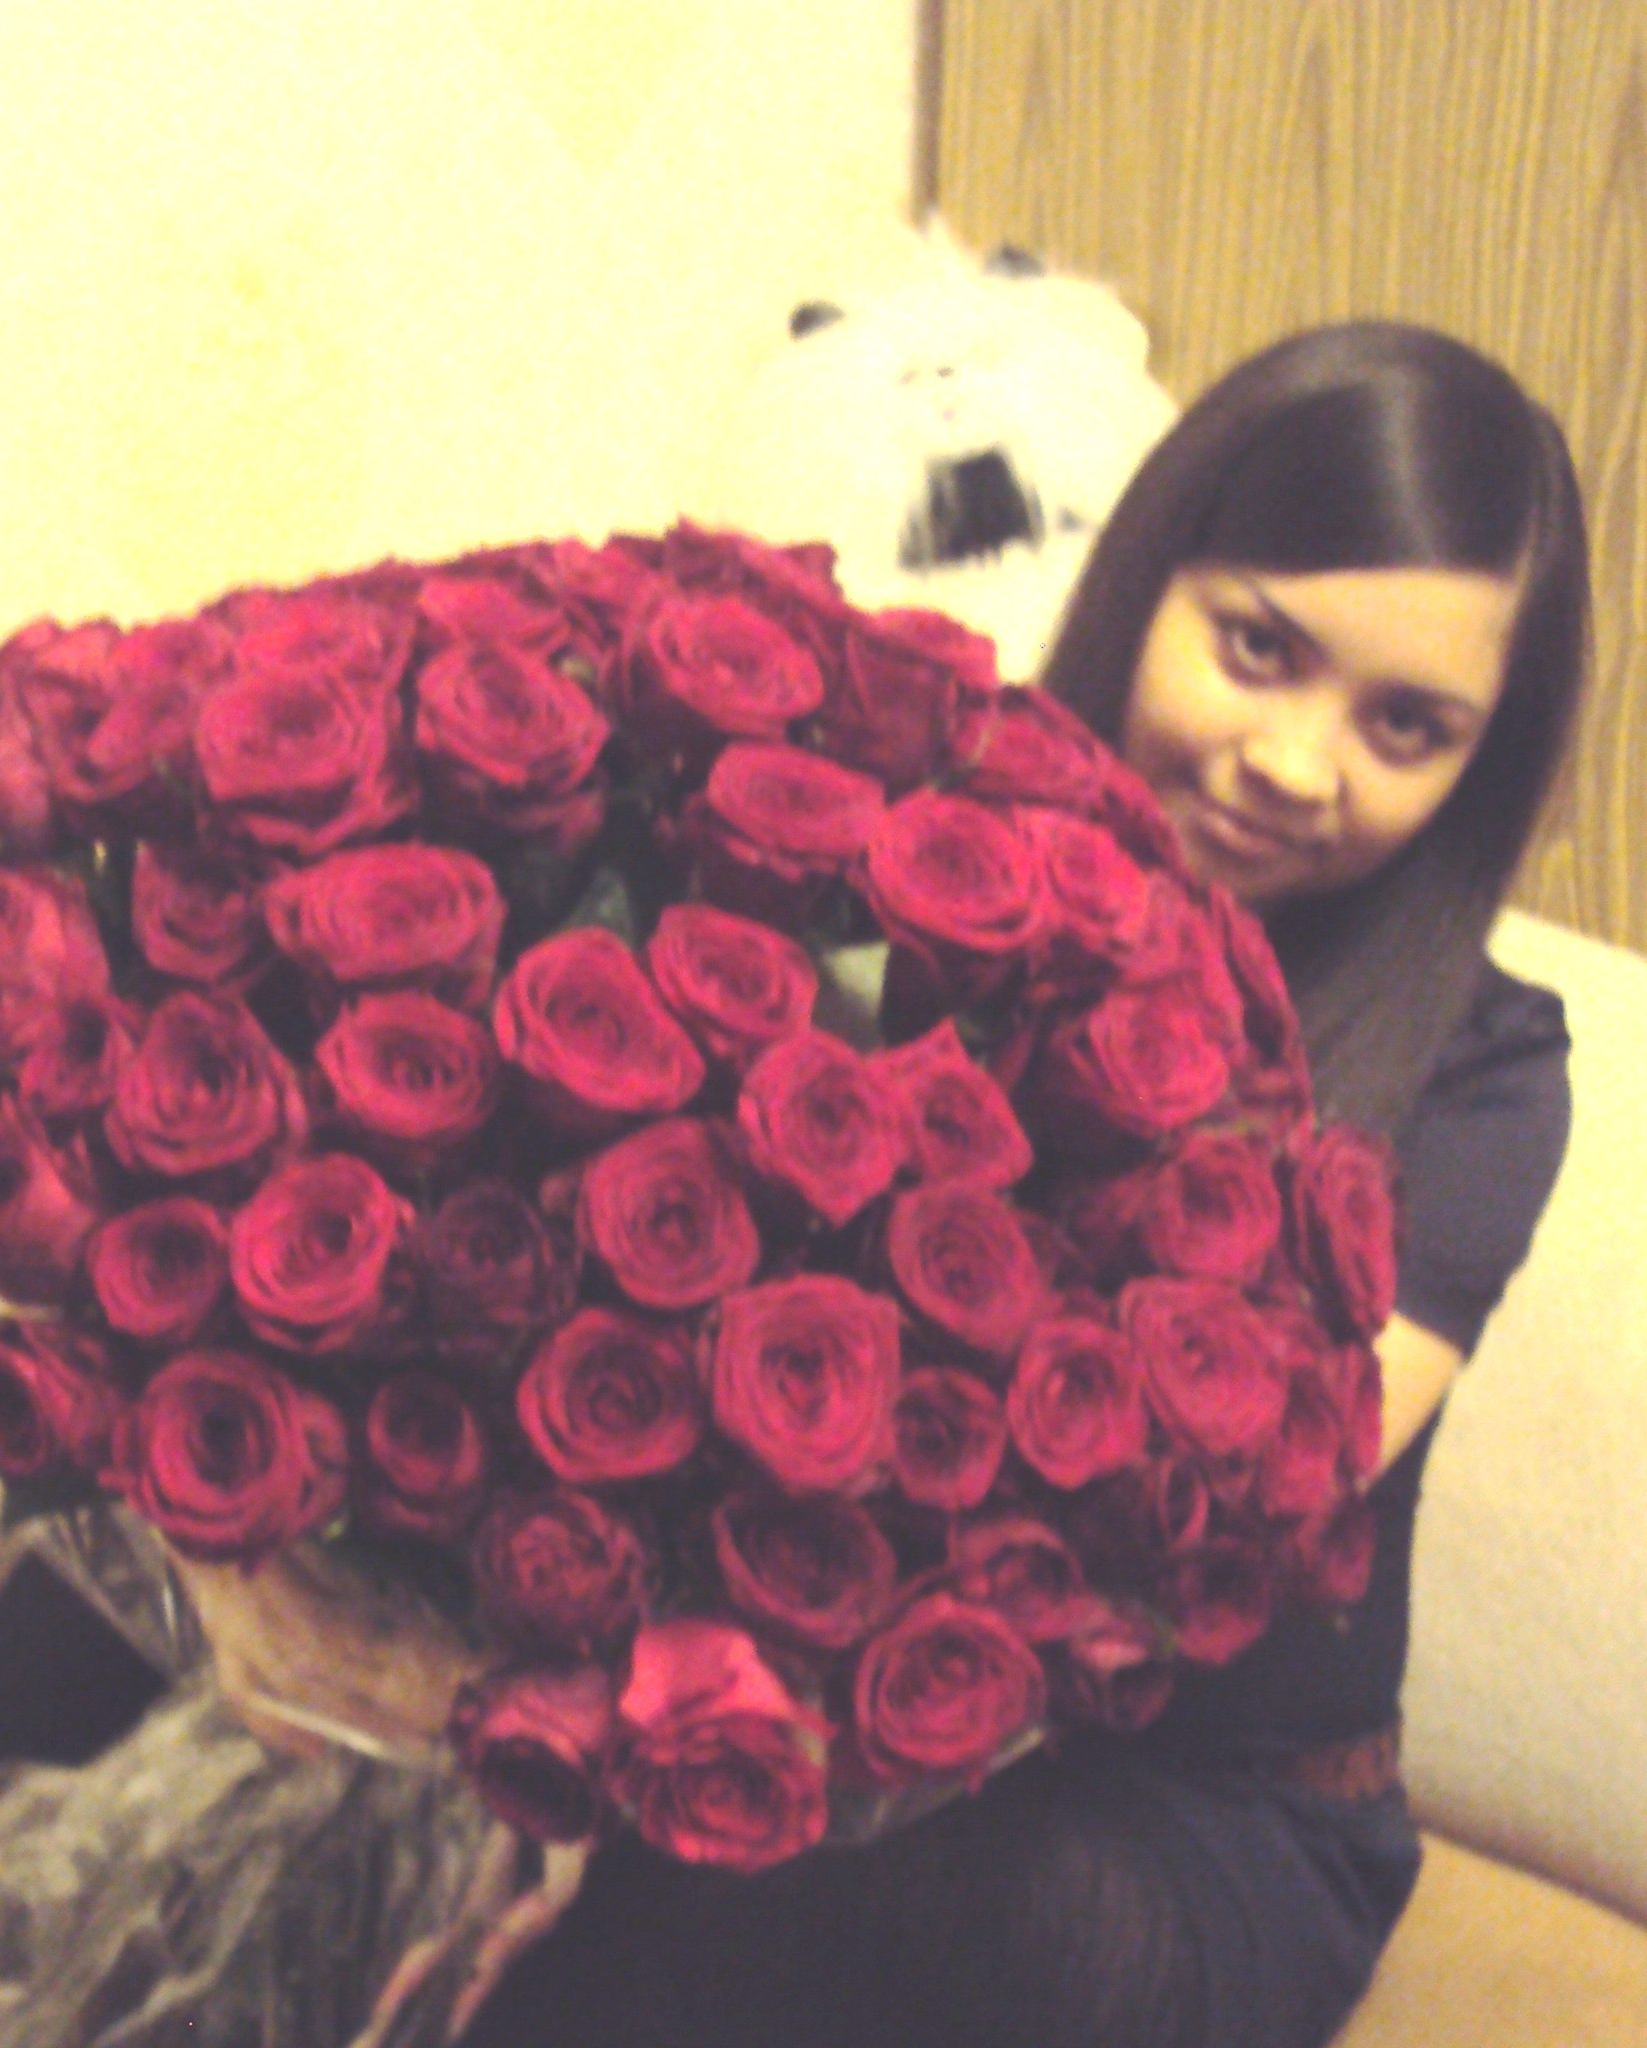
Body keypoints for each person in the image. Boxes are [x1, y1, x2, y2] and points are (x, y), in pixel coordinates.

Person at [444, 321, 1587, 2048]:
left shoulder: (1480, 1073)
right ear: (1151, 577)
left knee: (777, 1872)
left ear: (1476, 768)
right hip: (826, 1697)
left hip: (1196, 1815)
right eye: (1259, 647)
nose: (1298, 764)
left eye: (1406, 727)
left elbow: (1211, 1522)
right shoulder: (905, 865)